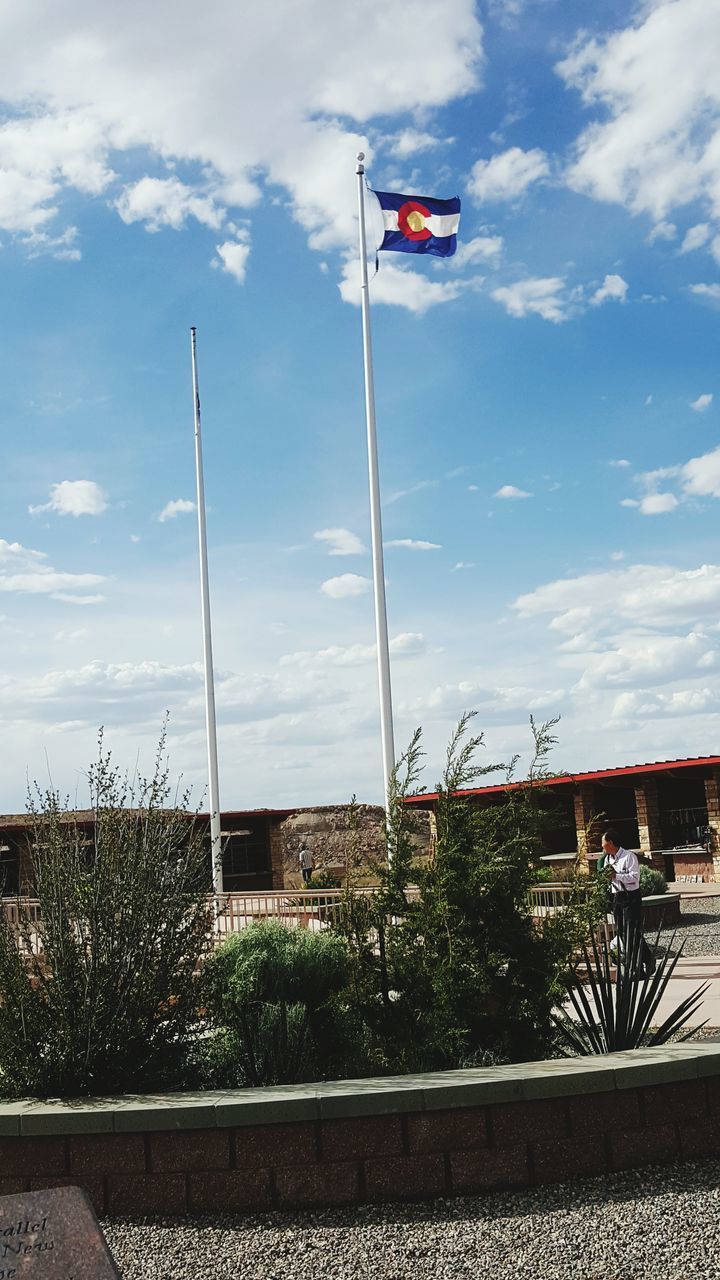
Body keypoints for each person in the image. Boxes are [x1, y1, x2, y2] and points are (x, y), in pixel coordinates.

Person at [601, 829, 655, 976]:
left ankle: (636, 968)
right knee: (623, 932)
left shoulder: (628, 856)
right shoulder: (608, 859)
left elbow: (634, 877)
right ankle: (647, 958)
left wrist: (616, 875)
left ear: (611, 842)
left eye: (603, 843)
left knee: (632, 931)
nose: (602, 846)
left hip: (630, 896)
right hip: (616, 897)